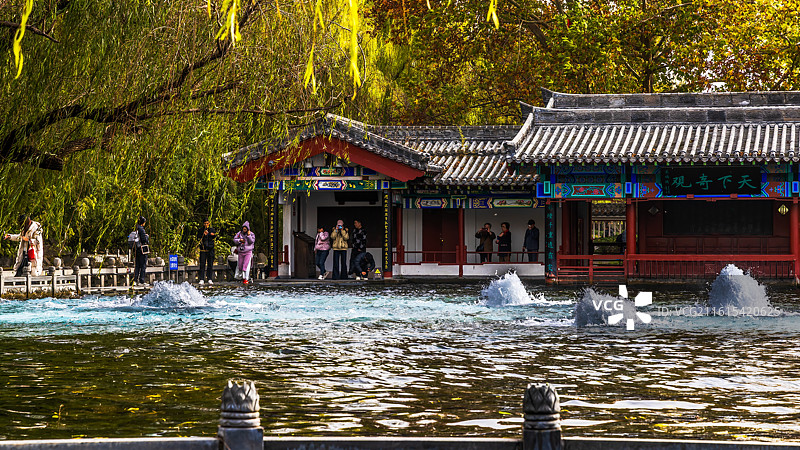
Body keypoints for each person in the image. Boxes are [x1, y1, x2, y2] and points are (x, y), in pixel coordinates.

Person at [198, 219, 216, 285]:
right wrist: (203, 234)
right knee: (202, 264)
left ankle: (209, 278)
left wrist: (209, 234)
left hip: (210, 249)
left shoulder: (212, 230)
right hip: (203, 249)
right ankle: (201, 279)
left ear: (209, 223)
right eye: (205, 223)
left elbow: (214, 236)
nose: (206, 225)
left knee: (210, 264)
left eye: (207, 223)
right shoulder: (200, 230)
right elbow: (198, 237)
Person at [132, 216, 150, 285]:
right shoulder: (141, 229)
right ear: (143, 223)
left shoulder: (135, 228)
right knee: (143, 265)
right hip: (142, 249)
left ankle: (135, 280)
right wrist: (147, 237)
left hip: (136, 249)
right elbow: (144, 240)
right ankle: (141, 281)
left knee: (137, 265)